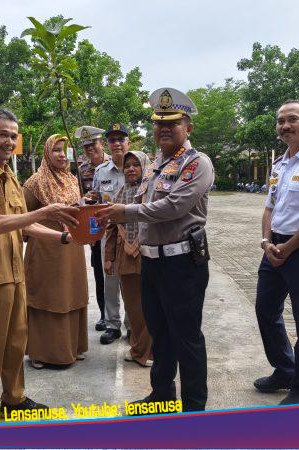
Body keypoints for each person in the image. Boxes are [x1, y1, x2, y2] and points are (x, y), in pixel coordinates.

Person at [97, 87, 215, 412]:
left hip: (182, 263)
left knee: (186, 337)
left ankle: (194, 408)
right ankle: (162, 396)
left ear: (187, 128)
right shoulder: (155, 163)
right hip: (151, 264)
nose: (163, 129)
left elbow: (173, 206)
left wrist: (125, 212)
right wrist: (109, 208)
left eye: (172, 123)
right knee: (159, 334)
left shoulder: (197, 163)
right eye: (159, 123)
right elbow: (140, 200)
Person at [0, 107, 81, 417]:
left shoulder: (10, 176)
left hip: (15, 269)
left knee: (16, 339)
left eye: (14, 136)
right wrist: (46, 211)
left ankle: (14, 399)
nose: (10, 141)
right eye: (3, 134)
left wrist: (62, 237)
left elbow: (24, 224)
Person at [253, 100, 299, 405]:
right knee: (265, 310)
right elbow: (269, 208)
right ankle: (285, 369)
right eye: (281, 121)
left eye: (292, 119)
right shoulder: (279, 164)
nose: (285, 126)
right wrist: (266, 242)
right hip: (273, 248)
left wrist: (289, 246)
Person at [22, 134, 89, 369]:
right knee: (45, 296)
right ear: (47, 152)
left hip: (72, 248)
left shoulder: (72, 179)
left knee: (71, 293)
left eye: (64, 150)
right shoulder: (35, 182)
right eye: (56, 150)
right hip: (45, 250)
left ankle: (73, 346)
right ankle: (40, 352)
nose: (62, 155)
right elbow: (23, 218)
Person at [103, 150, 154, 368]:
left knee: (150, 305)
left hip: (148, 255)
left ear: (145, 167)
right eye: (127, 166)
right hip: (125, 256)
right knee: (133, 306)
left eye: (136, 165)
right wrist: (109, 257)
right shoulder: (120, 194)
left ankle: (150, 352)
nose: (131, 169)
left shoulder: (151, 193)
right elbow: (112, 228)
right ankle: (138, 349)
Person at [86, 124, 128, 345]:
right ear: (107, 144)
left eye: (121, 139)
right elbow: (95, 203)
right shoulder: (100, 171)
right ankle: (113, 325)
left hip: (132, 232)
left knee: (131, 280)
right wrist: (94, 234)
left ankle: (132, 325)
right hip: (108, 233)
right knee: (110, 279)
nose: (117, 143)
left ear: (128, 142)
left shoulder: (138, 166)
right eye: (112, 140)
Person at [74, 125, 108, 332]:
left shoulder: (118, 162)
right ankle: (105, 315)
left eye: (93, 144)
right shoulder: (82, 170)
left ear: (101, 143)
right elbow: (79, 199)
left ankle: (128, 319)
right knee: (99, 274)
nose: (89, 148)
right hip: (95, 229)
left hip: (117, 226)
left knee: (122, 273)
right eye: (86, 145)